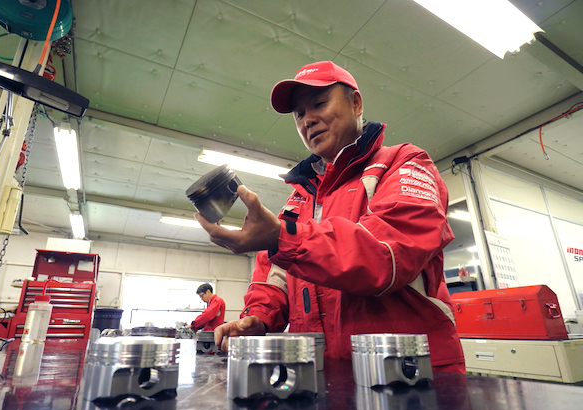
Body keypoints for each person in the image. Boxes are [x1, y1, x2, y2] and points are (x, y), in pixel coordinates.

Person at [195, 60, 466, 373]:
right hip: (320, 373)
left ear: (356, 103)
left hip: (409, 372)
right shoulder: (299, 200)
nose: (308, 120)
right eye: (299, 114)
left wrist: (282, 238)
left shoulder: (404, 163)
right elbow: (275, 276)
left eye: (319, 103)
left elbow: (386, 257)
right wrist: (258, 318)